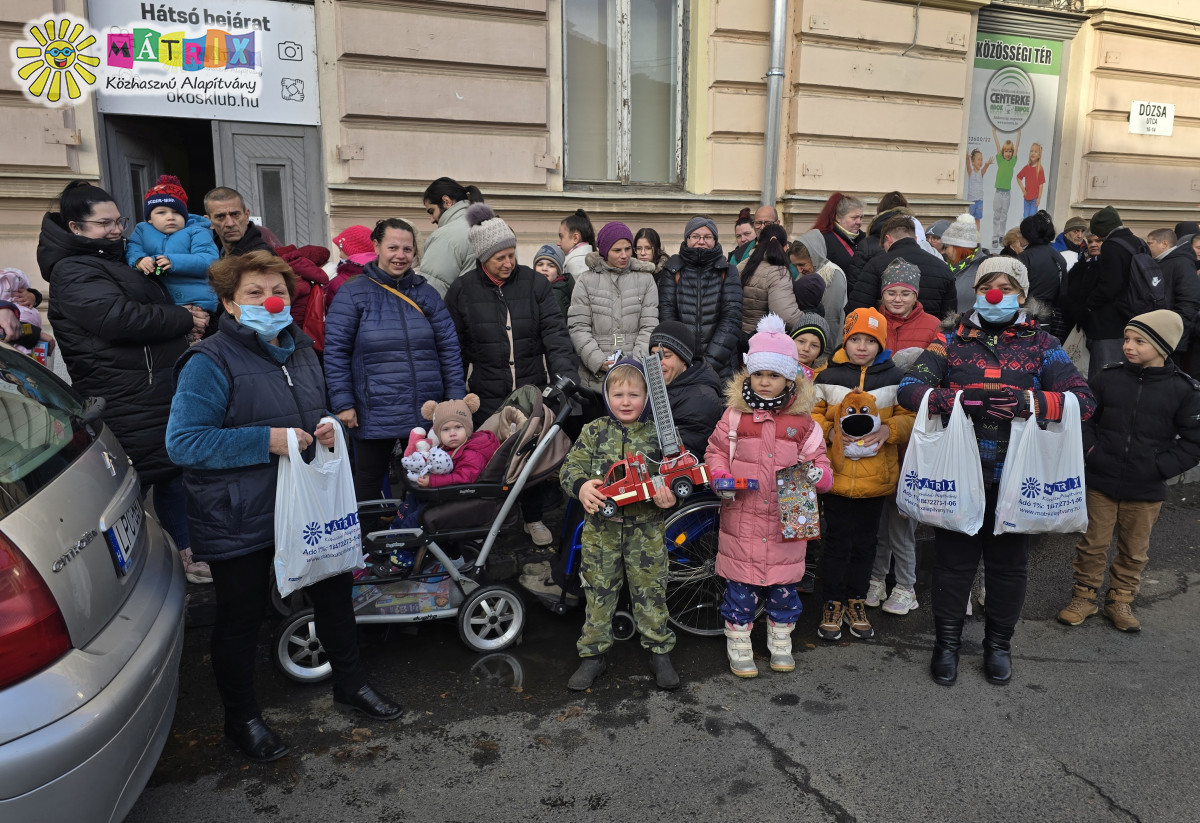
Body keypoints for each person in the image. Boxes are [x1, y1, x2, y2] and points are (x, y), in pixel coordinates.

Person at [166, 250, 401, 762]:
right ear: (229, 304)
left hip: (307, 509)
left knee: (336, 595)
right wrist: (265, 441)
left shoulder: (302, 351)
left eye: (277, 290)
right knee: (240, 617)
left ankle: (351, 683)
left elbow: (312, 413)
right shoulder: (209, 362)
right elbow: (183, 443)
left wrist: (327, 430)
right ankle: (242, 719)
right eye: (254, 293)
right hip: (239, 513)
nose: (270, 300)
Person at [898, 256, 1094, 686]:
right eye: (989, 285)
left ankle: (998, 646)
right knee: (953, 564)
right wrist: (956, 400)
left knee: (1008, 567)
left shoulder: (1042, 345)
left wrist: (1032, 403)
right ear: (976, 292)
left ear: (1022, 297)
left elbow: (1083, 398)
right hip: (960, 475)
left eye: (1007, 288)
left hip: (1015, 478)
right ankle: (946, 645)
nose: (996, 295)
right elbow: (909, 390)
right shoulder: (948, 340)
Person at [37, 181, 210, 583]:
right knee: (131, 486)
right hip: (123, 392)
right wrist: (184, 318)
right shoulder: (72, 269)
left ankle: (183, 555)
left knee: (171, 473)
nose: (116, 230)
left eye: (119, 221)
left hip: (148, 389)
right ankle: (125, 575)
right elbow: (117, 319)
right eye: (104, 224)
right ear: (76, 228)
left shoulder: (115, 259)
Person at [704, 314, 833, 677]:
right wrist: (720, 474)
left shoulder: (803, 422)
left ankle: (780, 640)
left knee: (784, 591)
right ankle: (740, 643)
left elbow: (819, 460)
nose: (764, 382)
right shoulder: (734, 417)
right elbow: (715, 451)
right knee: (740, 590)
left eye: (773, 375)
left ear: (788, 377)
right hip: (742, 518)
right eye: (758, 374)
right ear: (748, 375)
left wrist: (818, 475)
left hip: (787, 520)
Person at [1057, 311, 1200, 633]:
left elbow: (1193, 441)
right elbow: (1086, 419)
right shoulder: (1108, 377)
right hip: (1101, 480)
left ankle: (1120, 599)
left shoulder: (1184, 390)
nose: (1129, 346)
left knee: (1135, 549)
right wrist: (1092, 453)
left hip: (1146, 487)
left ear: (1163, 346)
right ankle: (1084, 595)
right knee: (1092, 543)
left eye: (1139, 341)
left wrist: (1159, 467)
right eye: (1127, 339)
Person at [445, 204, 577, 546]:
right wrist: (453, 394)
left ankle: (532, 518)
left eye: (511, 254)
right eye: (499, 257)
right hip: (487, 393)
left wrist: (563, 378)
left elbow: (556, 335)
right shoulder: (462, 291)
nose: (508, 263)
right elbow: (454, 348)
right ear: (482, 257)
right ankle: (493, 522)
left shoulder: (535, 284)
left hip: (531, 390)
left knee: (530, 457)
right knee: (491, 459)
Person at [324, 218, 466, 501]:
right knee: (367, 481)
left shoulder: (426, 293)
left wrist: (454, 400)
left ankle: (420, 538)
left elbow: (449, 348)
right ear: (376, 246)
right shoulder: (353, 292)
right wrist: (344, 403)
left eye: (407, 249)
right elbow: (336, 351)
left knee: (426, 480)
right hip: (373, 409)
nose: (400, 255)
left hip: (425, 408)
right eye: (393, 247)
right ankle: (368, 541)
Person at [560, 359, 680, 691]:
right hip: (601, 532)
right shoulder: (593, 431)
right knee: (597, 592)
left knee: (651, 591)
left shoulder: (659, 434)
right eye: (618, 394)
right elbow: (570, 468)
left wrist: (671, 498)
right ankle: (593, 655)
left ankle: (659, 651)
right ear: (607, 395)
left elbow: (676, 475)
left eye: (634, 394)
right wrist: (582, 486)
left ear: (647, 398)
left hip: (647, 530)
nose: (625, 402)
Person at [812, 308, 913, 642]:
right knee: (836, 543)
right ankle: (832, 601)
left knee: (866, 543)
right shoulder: (827, 375)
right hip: (836, 478)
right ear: (846, 339)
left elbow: (910, 416)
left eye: (870, 340)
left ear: (880, 343)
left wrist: (889, 429)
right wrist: (827, 433)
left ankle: (856, 600)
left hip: (876, 480)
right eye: (855, 338)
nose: (862, 346)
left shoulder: (894, 376)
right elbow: (811, 415)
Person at [862, 262, 939, 617]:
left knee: (903, 515)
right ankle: (876, 578)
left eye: (904, 293)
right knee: (878, 515)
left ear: (916, 295)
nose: (897, 299)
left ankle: (906, 585)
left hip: (912, 432)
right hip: (876, 427)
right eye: (891, 292)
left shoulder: (933, 327)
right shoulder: (869, 322)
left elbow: (941, 373)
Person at [126, 174, 219, 343]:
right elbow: (132, 250)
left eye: (177, 212)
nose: (170, 217)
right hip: (161, 304)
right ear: (149, 218)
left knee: (193, 344)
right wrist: (139, 260)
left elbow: (209, 261)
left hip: (196, 302)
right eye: (161, 212)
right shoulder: (141, 230)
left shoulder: (197, 231)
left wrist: (174, 262)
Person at [568, 221, 659, 391]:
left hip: (635, 378)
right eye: (617, 250)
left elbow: (649, 326)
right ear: (604, 251)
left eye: (628, 249)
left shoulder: (646, 280)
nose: (624, 255)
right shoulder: (586, 281)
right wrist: (598, 361)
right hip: (594, 380)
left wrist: (635, 363)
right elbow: (578, 327)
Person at [657, 216, 744, 380]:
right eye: (696, 236)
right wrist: (684, 358)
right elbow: (667, 316)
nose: (701, 241)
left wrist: (709, 364)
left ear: (715, 240)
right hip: (682, 365)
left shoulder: (727, 271)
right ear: (687, 239)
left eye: (707, 237)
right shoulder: (673, 270)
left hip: (721, 366)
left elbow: (732, 319)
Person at [848, 215, 956, 319]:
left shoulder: (875, 265)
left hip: (885, 334)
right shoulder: (943, 268)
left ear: (888, 240)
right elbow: (949, 317)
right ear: (916, 238)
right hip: (930, 335)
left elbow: (857, 309)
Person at [1080, 206, 1143, 378]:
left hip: (1110, 320)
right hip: (1134, 314)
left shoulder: (1111, 246)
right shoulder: (1138, 242)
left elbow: (1110, 285)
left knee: (1104, 373)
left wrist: (1089, 304)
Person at [649, 321, 723, 457]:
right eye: (654, 356)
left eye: (666, 355)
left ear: (684, 359)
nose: (658, 363)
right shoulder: (650, 386)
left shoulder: (702, 399)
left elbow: (677, 456)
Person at [419, 177, 486, 297]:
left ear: (447, 201)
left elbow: (430, 293)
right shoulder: (492, 225)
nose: (432, 219)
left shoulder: (445, 237)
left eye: (431, 211)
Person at [738, 224, 804, 335]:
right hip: (763, 341)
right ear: (786, 247)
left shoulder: (740, 267)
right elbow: (786, 316)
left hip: (737, 338)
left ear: (757, 244)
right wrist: (809, 320)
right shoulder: (779, 272)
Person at [1146, 228, 1200, 362]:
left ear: (1164, 244)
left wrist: (1175, 329)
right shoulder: (1165, 262)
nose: (1147, 247)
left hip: (1172, 337)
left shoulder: (1181, 263)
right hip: (1161, 333)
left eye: (1150, 243)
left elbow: (1189, 300)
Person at [793, 229, 848, 348]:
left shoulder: (832, 273)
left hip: (824, 345)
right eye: (795, 265)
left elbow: (832, 317)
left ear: (814, 256)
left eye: (802, 264)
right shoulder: (808, 272)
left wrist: (826, 351)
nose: (798, 270)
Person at [939, 212, 991, 313]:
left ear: (958, 248)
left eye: (946, 247)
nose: (943, 252)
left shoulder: (985, 267)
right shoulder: (948, 267)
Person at [204, 186, 273, 257]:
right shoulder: (207, 255)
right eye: (220, 216)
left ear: (246, 216)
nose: (230, 223)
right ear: (209, 222)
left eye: (235, 214)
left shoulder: (263, 258)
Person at [812, 192, 865, 281]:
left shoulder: (864, 239)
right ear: (838, 218)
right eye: (854, 218)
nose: (859, 222)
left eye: (861, 218)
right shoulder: (825, 240)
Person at [326, 225, 375, 308]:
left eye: (341, 250)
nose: (340, 255)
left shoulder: (340, 282)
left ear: (352, 252)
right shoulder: (388, 275)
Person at [989, 127, 1022, 249]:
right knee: (996, 215)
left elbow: (1017, 147)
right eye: (1006, 151)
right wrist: (994, 133)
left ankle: (1001, 236)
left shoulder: (1012, 162)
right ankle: (995, 236)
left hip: (1007, 194)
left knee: (1003, 216)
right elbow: (997, 145)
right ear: (1002, 152)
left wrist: (1019, 135)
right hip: (998, 193)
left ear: (1012, 153)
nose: (1008, 153)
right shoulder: (1000, 160)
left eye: (1010, 151)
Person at [533, 243, 573, 317]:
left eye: (551, 266)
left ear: (558, 273)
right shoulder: (537, 289)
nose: (544, 269)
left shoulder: (555, 295)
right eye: (540, 264)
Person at [558, 209, 596, 279]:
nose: (558, 243)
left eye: (561, 237)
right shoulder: (584, 260)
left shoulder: (576, 264)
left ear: (575, 238)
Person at [965, 148, 993, 239]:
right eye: (978, 159)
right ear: (973, 161)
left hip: (979, 201)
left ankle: (977, 235)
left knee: (977, 219)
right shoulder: (970, 172)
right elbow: (968, 165)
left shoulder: (981, 173)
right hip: (971, 201)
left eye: (981, 159)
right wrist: (967, 158)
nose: (980, 161)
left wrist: (987, 164)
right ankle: (970, 234)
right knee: (970, 219)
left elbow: (984, 168)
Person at [1016, 143, 1046, 219]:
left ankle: (1032, 231)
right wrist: (1023, 189)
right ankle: (1025, 230)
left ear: (1039, 156)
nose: (1033, 153)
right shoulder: (1026, 168)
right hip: (1026, 199)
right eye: (1031, 151)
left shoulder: (1040, 170)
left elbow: (1041, 185)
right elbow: (1018, 177)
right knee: (1025, 217)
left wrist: (1039, 199)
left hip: (1034, 200)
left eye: (1035, 152)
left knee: (1032, 218)